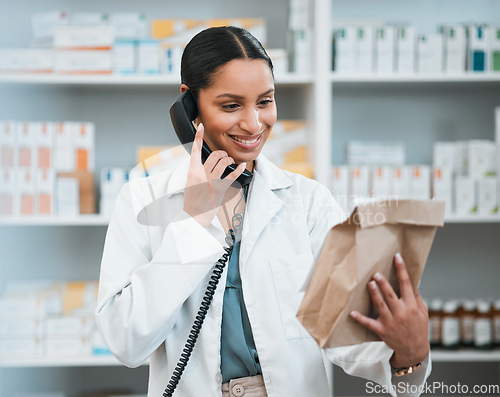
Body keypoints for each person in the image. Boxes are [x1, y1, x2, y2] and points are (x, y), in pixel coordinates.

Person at [96, 26, 431, 397]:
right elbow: (126, 341)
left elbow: (350, 336)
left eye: (265, 101)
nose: (254, 124)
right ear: (188, 106)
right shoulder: (143, 197)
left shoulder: (309, 202)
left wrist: (407, 353)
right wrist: (193, 222)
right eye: (231, 105)